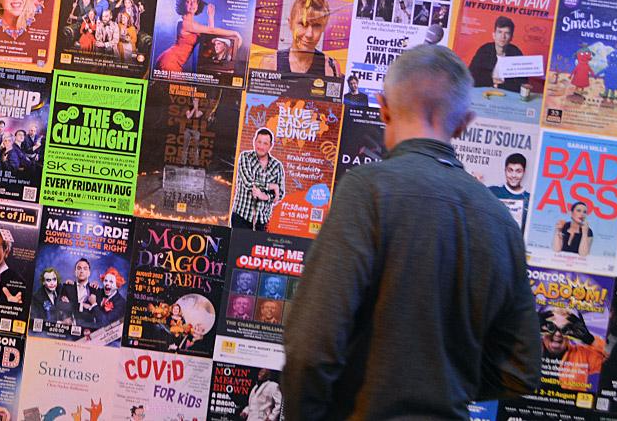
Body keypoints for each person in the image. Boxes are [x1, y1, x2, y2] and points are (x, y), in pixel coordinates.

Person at [283, 44, 540, 419]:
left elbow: (310, 347)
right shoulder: (501, 220)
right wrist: (448, 383)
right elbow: (522, 370)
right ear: (464, 122)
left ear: (384, 107)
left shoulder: (366, 191)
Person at [155, 0, 242, 74]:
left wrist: (211, 16)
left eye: (195, 2)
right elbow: (211, 30)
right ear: (183, 4)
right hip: (169, 61)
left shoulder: (194, 24)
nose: (192, 4)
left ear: (198, 5)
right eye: (188, 2)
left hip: (175, 62)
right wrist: (234, 33)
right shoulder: (184, 23)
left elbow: (209, 34)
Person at [258, 0, 341, 77]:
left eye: (316, 26)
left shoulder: (331, 67)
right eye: (303, 24)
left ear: (323, 27)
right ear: (290, 24)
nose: (309, 34)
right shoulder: (270, 64)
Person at [231, 128, 285, 231]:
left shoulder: (277, 166)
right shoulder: (245, 157)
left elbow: (280, 193)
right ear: (254, 142)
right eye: (259, 142)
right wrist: (271, 186)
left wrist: (265, 197)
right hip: (241, 217)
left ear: (270, 146)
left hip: (263, 221)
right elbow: (248, 182)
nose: (261, 146)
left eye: (265, 143)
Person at [539, 307, 606, 390]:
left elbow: (614, 363)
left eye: (564, 329)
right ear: (542, 328)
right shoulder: (529, 348)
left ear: (572, 332)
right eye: (551, 327)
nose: (557, 334)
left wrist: (590, 339)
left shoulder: (582, 355)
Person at [468, 15, 525, 92]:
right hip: (483, 92)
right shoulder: (484, 50)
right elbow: (471, 77)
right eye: (499, 32)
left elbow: (522, 84)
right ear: (494, 35)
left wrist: (497, 85)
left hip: (508, 96)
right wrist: (492, 81)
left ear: (511, 37)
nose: (503, 36)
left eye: (507, 33)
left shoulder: (516, 53)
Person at [488, 153, 530, 231]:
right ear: (505, 171)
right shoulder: (492, 192)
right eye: (510, 170)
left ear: (524, 172)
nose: (513, 175)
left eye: (518, 171)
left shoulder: (529, 200)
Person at [60, 257, 99, 325]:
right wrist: (82, 305)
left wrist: (70, 304)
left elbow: (94, 313)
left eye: (85, 268)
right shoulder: (67, 287)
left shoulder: (94, 290)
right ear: (75, 272)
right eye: (79, 268)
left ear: (89, 273)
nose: (81, 271)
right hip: (68, 325)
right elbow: (61, 306)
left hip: (87, 328)